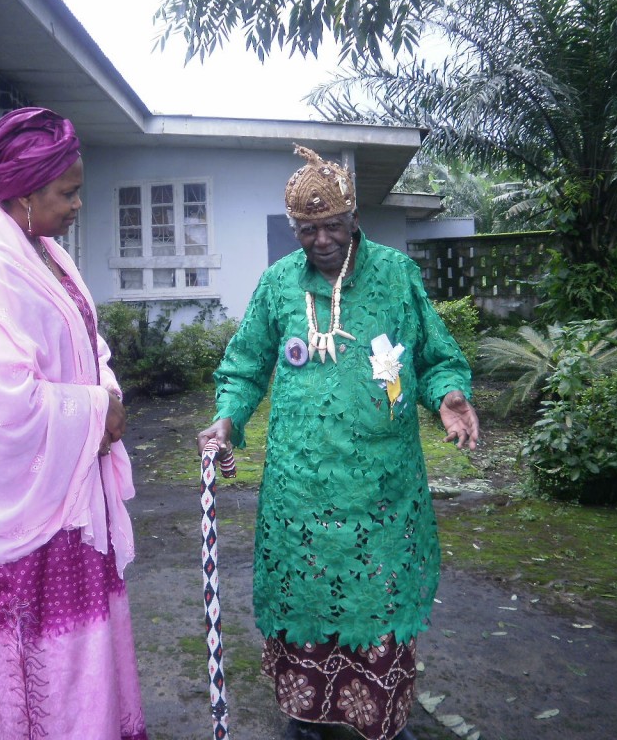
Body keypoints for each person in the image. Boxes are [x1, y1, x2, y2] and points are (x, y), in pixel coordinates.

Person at [197, 145, 480, 740]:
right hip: (296, 495)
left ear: (353, 219)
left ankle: (380, 719)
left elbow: (435, 358)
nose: (321, 240)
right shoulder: (277, 284)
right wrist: (227, 418)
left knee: (377, 601)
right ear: (294, 229)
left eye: (331, 226)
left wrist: (449, 397)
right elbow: (245, 365)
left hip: (381, 491)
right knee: (303, 601)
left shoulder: (396, 276)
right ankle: (304, 717)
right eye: (307, 230)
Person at [0, 107, 146, 740]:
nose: (79, 203)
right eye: (68, 191)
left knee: (83, 666)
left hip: (73, 492)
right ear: (24, 193)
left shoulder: (48, 253)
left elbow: (90, 343)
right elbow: (0, 402)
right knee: (37, 673)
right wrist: (95, 410)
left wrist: (105, 392)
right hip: (25, 518)